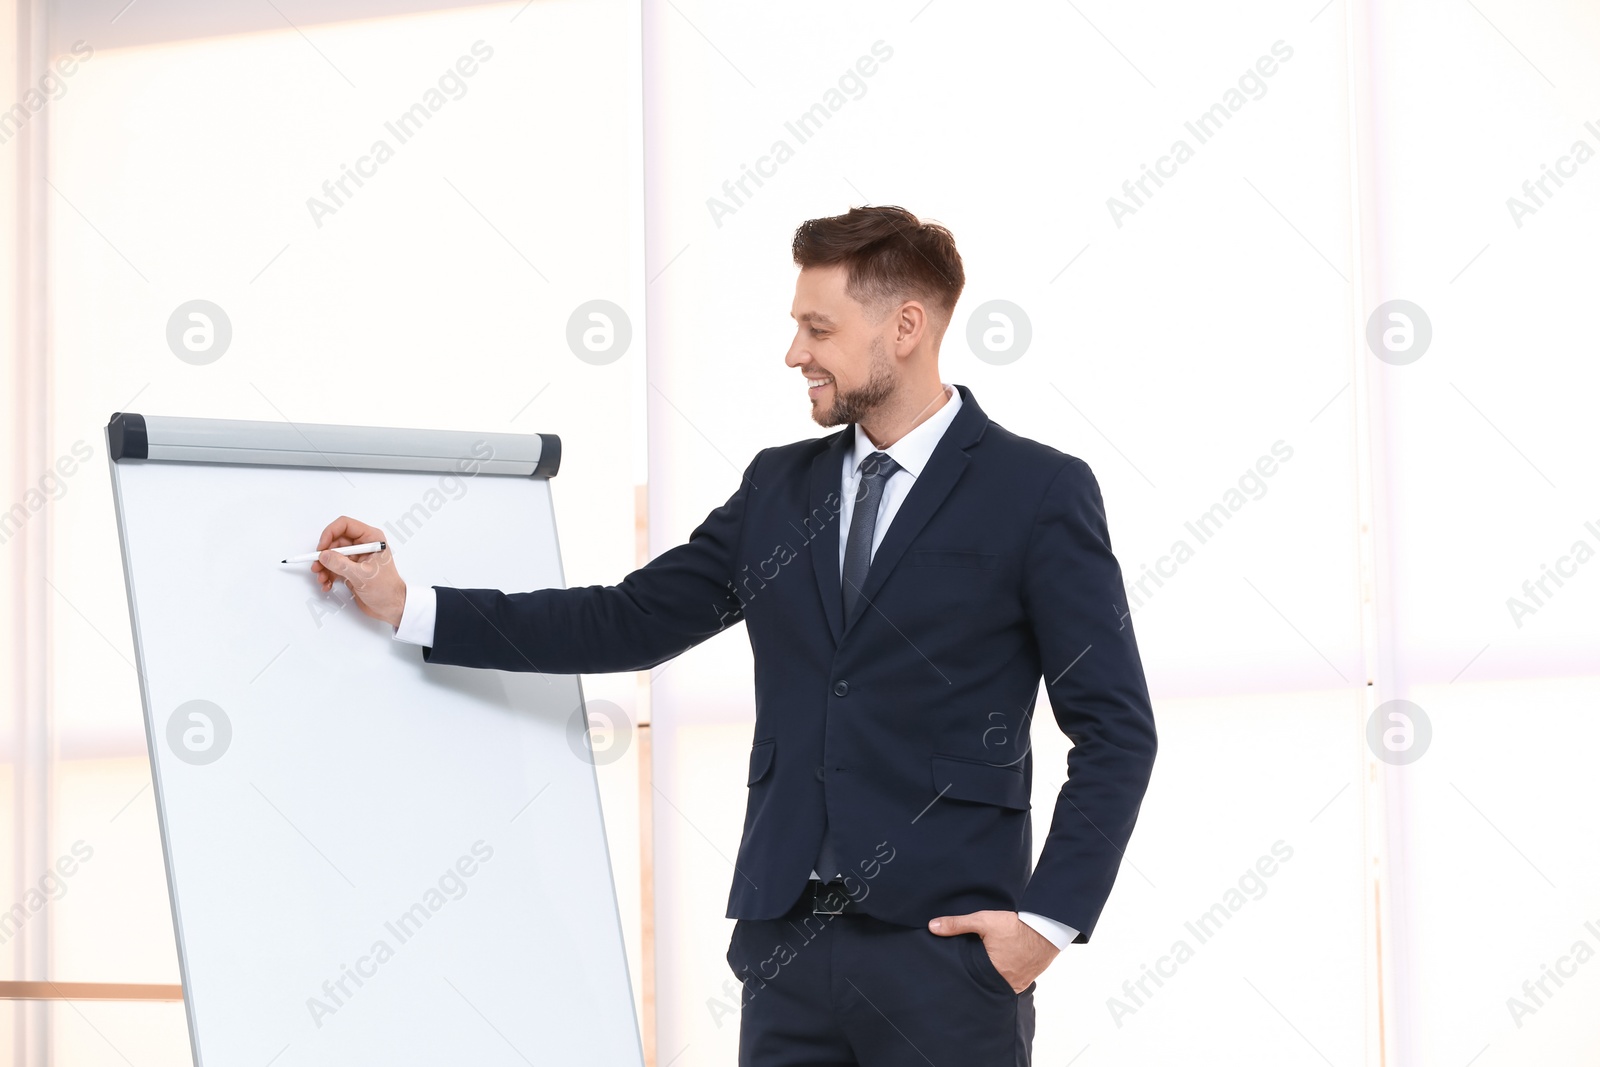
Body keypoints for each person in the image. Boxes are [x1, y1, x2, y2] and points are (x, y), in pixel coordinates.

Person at [312, 205, 1157, 1066]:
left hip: (946, 958)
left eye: (817, 327)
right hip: (784, 951)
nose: (795, 352)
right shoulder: (779, 487)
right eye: (796, 326)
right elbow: (631, 618)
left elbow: (1116, 726)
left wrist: (1045, 924)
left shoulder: (1036, 490)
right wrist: (411, 603)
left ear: (906, 326)